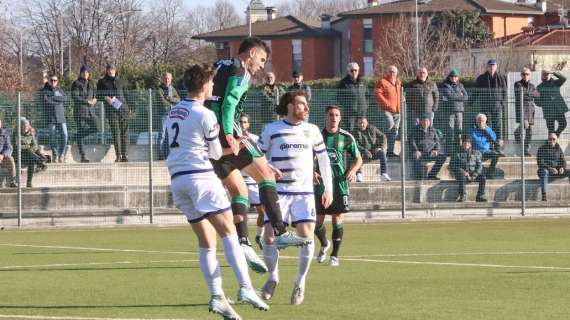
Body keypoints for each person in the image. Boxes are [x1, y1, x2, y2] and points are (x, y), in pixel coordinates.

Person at [166, 64, 269, 320]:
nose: (213, 87)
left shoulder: (173, 112)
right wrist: (234, 146)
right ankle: (246, 288)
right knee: (229, 233)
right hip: (200, 178)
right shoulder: (205, 114)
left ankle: (217, 296)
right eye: (211, 83)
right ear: (203, 86)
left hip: (178, 181)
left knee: (207, 241)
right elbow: (214, 153)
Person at [207, 37, 309, 275]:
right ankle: (281, 232)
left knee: (239, 191)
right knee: (266, 176)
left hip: (210, 135)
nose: (262, 66)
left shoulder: (221, 65)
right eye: (262, 60)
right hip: (228, 133)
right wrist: (231, 134)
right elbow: (229, 105)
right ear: (250, 53)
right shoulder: (242, 73)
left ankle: (242, 243)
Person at [259, 90, 333, 305]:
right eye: (301, 104)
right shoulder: (271, 129)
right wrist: (270, 166)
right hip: (278, 193)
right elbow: (258, 157)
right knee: (269, 237)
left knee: (306, 235)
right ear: (290, 106)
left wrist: (328, 189)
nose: (306, 108)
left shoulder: (312, 130)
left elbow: (324, 160)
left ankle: (300, 283)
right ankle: (273, 277)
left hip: (303, 193)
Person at [314, 105, 362, 267]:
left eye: (336, 115)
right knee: (316, 222)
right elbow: (306, 157)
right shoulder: (317, 136)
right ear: (325, 117)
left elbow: (358, 158)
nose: (333, 118)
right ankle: (324, 244)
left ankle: (334, 256)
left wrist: (354, 170)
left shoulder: (346, 137)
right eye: (330, 115)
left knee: (337, 218)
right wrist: (312, 172)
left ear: (340, 118)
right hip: (320, 185)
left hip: (340, 185)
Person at [238, 113, 267, 250]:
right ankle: (242, 240)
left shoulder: (255, 139)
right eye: (240, 122)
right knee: (239, 213)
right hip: (238, 181)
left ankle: (258, 236)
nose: (242, 124)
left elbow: (262, 159)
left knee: (263, 211)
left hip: (252, 180)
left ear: (248, 124)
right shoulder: (231, 139)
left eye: (245, 122)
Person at [97, 63, 130, 162]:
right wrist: (106, 98)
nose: (111, 71)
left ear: (115, 70)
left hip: (123, 110)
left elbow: (128, 95)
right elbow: (98, 95)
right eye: (109, 69)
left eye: (113, 69)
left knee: (125, 133)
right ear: (107, 70)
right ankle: (118, 155)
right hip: (111, 111)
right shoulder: (102, 82)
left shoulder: (122, 81)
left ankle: (125, 155)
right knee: (116, 133)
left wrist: (131, 108)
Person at [475, 59, 508, 145]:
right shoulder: (481, 78)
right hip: (486, 106)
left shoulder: (501, 77)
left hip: (497, 106)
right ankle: (489, 144)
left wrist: (502, 104)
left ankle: (498, 144)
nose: (492, 67)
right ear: (487, 67)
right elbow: (476, 91)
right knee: (487, 125)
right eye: (490, 65)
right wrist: (470, 102)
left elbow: (505, 92)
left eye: (493, 65)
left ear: (496, 66)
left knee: (498, 125)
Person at [71, 65, 98, 163]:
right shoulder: (76, 83)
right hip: (80, 112)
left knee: (96, 128)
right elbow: (75, 96)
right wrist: (87, 101)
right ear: (80, 73)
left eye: (87, 72)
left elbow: (95, 95)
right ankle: (83, 156)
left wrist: (95, 99)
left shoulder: (92, 83)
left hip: (91, 112)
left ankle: (76, 136)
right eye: (83, 72)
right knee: (81, 131)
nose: (85, 74)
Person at [375, 65, 402, 158]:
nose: (392, 73)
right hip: (386, 110)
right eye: (390, 71)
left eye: (394, 72)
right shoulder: (382, 82)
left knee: (395, 131)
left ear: (396, 73)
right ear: (387, 72)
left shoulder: (398, 82)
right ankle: (382, 150)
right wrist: (386, 103)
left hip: (397, 111)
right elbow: (378, 94)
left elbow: (399, 94)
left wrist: (402, 98)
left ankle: (390, 152)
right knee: (389, 126)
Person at [353, 116, 391, 182]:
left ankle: (384, 174)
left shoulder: (372, 128)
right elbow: (355, 145)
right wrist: (364, 150)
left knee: (381, 153)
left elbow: (383, 136)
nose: (362, 125)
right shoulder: (354, 132)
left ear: (367, 122)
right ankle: (359, 174)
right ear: (357, 124)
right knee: (356, 153)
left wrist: (380, 147)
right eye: (360, 123)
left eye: (363, 123)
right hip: (363, 153)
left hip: (373, 151)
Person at [13, 118, 48, 188]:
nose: (26, 127)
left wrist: (29, 148)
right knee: (27, 150)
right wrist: (27, 147)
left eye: (27, 125)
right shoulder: (16, 133)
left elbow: (35, 146)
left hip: (29, 155)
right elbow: (17, 146)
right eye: (24, 125)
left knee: (31, 161)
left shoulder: (31, 134)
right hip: (18, 155)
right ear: (20, 126)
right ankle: (41, 163)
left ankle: (29, 183)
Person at [450, 137, 487, 202]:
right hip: (461, 174)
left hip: (473, 173)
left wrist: (475, 175)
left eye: (468, 143)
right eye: (464, 143)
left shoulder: (476, 153)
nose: (466, 144)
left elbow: (480, 166)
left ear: (470, 144)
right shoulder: (456, 153)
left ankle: (480, 196)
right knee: (462, 176)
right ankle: (462, 196)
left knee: (483, 177)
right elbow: (452, 165)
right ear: (462, 143)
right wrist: (463, 172)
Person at [409, 115, 446, 180]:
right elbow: (412, 141)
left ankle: (432, 175)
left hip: (431, 153)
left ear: (429, 122)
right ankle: (418, 177)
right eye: (424, 121)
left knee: (442, 157)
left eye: (427, 121)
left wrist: (436, 150)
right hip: (420, 152)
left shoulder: (433, 130)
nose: (425, 122)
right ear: (420, 122)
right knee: (416, 157)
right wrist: (416, 150)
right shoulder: (415, 130)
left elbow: (437, 142)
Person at [41, 74, 68, 163]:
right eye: (51, 80)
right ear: (49, 81)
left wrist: (53, 98)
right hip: (51, 117)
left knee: (65, 135)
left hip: (61, 116)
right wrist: (57, 100)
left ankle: (61, 154)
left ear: (57, 82)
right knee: (52, 137)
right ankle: (55, 155)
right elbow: (46, 101)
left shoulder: (60, 90)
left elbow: (64, 98)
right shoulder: (45, 90)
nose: (53, 82)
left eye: (55, 80)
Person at [514, 67, 540, 156]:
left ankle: (526, 150)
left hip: (530, 111)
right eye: (524, 74)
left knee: (529, 132)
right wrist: (530, 95)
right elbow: (519, 94)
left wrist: (527, 94)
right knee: (525, 125)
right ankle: (516, 133)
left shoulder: (532, 86)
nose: (525, 76)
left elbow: (537, 95)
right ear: (521, 75)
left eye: (527, 74)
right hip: (522, 110)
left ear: (530, 75)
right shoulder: (517, 84)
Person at [536, 133, 570, 201]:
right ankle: (544, 196)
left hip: (557, 171)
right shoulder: (542, 149)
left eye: (553, 139)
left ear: (556, 140)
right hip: (545, 171)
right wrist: (550, 168)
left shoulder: (559, 148)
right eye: (550, 139)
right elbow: (540, 162)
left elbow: (563, 161)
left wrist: (562, 167)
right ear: (548, 139)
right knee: (544, 171)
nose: (552, 141)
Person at [441, 68, 468, 153]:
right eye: (452, 77)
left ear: (458, 77)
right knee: (450, 130)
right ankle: (449, 150)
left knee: (459, 130)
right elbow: (449, 96)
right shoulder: (446, 85)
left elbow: (466, 97)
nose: (454, 78)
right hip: (450, 111)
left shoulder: (461, 85)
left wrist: (456, 96)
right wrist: (460, 96)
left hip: (460, 111)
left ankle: (458, 149)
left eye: (455, 77)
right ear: (449, 77)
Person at [156, 72, 181, 160]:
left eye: (169, 78)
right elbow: (162, 102)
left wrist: (170, 98)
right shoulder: (159, 89)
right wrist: (171, 103)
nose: (167, 80)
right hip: (163, 114)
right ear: (162, 79)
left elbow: (178, 100)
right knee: (162, 134)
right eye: (165, 78)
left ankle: (168, 154)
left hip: (172, 115)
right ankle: (161, 156)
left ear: (171, 79)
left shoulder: (172, 89)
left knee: (170, 134)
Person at [337, 62, 368, 131]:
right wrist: (347, 106)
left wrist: (365, 106)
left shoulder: (363, 81)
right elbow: (339, 97)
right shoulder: (343, 83)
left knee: (361, 131)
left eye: (355, 70)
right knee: (349, 130)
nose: (354, 72)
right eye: (352, 70)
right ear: (348, 71)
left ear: (358, 71)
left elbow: (367, 95)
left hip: (362, 113)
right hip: (349, 113)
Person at [536, 70, 568, 136]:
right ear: (542, 76)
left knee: (563, 124)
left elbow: (564, 78)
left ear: (550, 75)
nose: (546, 75)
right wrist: (546, 103)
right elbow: (537, 101)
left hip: (558, 109)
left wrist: (554, 72)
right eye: (544, 74)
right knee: (551, 129)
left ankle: (555, 137)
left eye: (547, 74)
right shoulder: (539, 87)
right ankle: (550, 144)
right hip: (548, 111)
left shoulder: (556, 82)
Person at [0, 118, 17, 188]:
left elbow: (9, 148)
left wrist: (2, 155)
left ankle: (12, 181)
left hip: (2, 157)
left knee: (10, 159)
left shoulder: (5, 134)